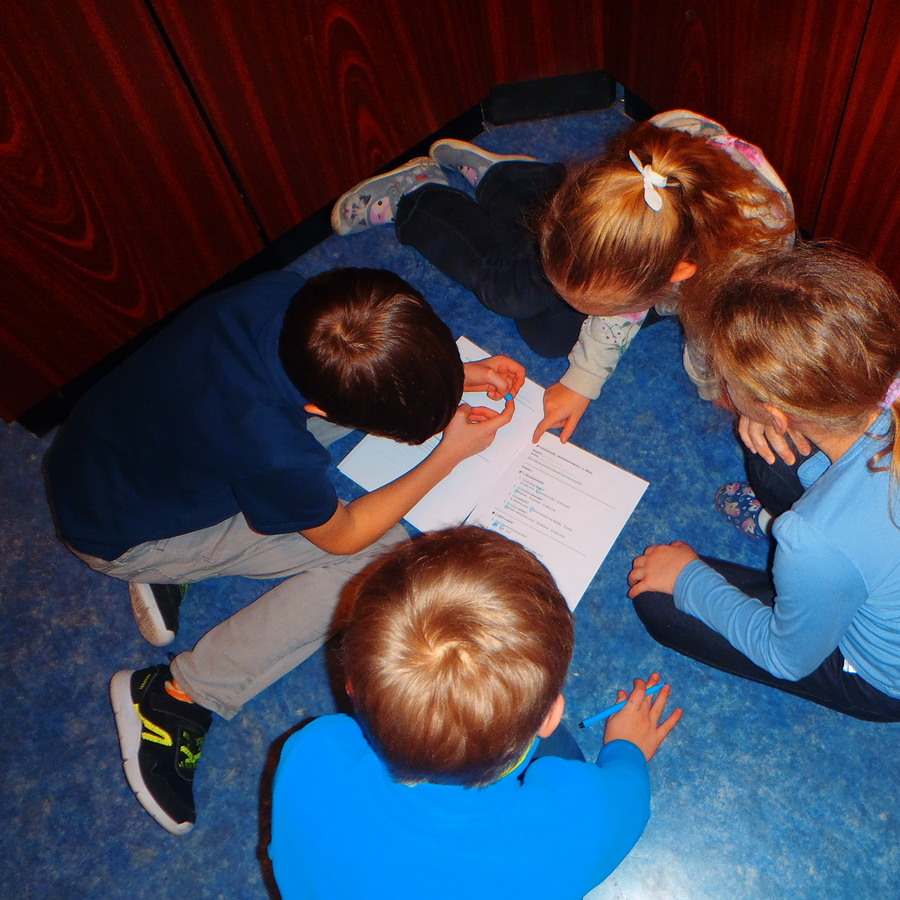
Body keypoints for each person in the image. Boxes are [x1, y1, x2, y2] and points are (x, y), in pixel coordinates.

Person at [44, 267, 526, 834]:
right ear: (316, 407)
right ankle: (177, 696)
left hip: (111, 462)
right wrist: (448, 454)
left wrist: (446, 378)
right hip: (123, 537)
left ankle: (184, 564)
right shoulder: (269, 446)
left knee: (325, 453)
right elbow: (345, 535)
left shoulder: (303, 301)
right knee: (383, 563)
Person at [626, 244, 900, 723]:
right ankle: (819, 571)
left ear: (780, 409)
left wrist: (687, 578)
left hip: (896, 683)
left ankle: (815, 572)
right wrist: (767, 415)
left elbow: (785, 658)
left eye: (730, 382)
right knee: (772, 458)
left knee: (658, 600)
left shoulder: (818, 538)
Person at [332, 109, 794, 443]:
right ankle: (424, 195)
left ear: (676, 274)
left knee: (549, 334)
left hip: (675, 260)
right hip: (627, 227)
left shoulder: (744, 274)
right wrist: (583, 377)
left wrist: (720, 387)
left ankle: (502, 181)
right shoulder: (626, 196)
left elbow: (709, 339)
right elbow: (623, 299)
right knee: (509, 292)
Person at [269, 526, 682, 899]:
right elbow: (628, 802)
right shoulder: (567, 834)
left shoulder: (313, 750)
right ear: (550, 716)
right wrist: (627, 748)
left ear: (351, 688)